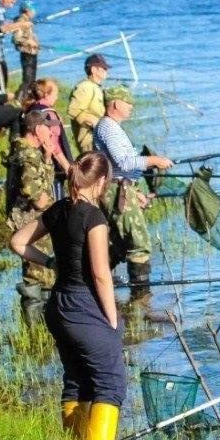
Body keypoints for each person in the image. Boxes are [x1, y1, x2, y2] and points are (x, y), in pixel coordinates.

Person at [10, 154, 125, 440]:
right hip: (82, 306)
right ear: (100, 182)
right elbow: (101, 274)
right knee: (109, 384)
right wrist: (112, 319)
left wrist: (50, 262)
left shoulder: (59, 209)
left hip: (58, 306)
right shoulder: (94, 218)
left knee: (76, 380)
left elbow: (18, 242)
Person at [92, 84, 174, 299]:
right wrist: (154, 160)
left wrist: (135, 190)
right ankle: (142, 301)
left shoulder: (112, 127)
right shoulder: (108, 127)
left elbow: (124, 166)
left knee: (121, 244)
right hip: (116, 191)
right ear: (116, 103)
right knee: (138, 244)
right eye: (129, 103)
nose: (131, 108)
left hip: (122, 189)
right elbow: (125, 162)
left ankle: (90, 281)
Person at [5, 109, 67, 328]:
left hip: (30, 219)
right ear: (37, 129)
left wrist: (49, 159)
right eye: (48, 128)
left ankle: (41, 325)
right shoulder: (28, 155)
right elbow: (35, 195)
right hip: (29, 221)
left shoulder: (27, 150)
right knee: (36, 275)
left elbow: (41, 183)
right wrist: (55, 209)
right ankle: (35, 328)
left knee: (41, 273)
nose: (52, 133)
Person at [23, 78, 74, 198]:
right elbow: (54, 145)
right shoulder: (49, 114)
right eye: (55, 94)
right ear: (46, 94)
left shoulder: (31, 109)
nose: (57, 97)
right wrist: (67, 167)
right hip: (53, 167)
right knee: (55, 201)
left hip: (35, 163)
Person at [67, 53, 110, 154]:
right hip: (90, 141)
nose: (106, 71)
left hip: (98, 140)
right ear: (94, 70)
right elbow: (73, 111)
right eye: (103, 68)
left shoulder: (95, 87)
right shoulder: (85, 87)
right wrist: (97, 124)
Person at [11, 1, 39, 102]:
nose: (34, 12)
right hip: (27, 54)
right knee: (27, 80)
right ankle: (18, 100)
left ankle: (28, 100)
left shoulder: (27, 21)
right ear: (27, 10)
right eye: (33, 9)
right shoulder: (21, 21)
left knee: (32, 80)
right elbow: (16, 38)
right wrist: (29, 42)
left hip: (32, 53)